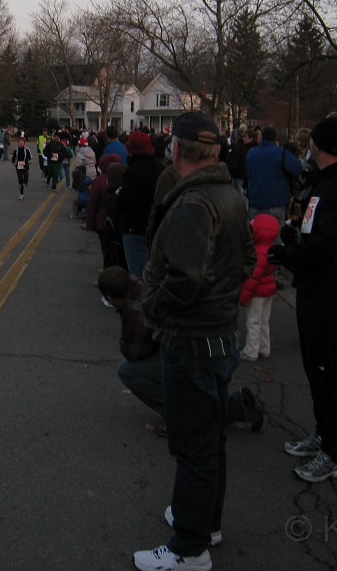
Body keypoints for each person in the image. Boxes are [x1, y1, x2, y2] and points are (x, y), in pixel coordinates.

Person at [134, 111, 255, 571]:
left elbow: (185, 279)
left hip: (192, 342)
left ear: (179, 150)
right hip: (219, 334)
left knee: (193, 447)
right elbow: (245, 261)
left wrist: (152, 310)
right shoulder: (229, 195)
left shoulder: (194, 203)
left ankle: (189, 547)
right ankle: (205, 521)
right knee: (208, 441)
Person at [270, 115, 337, 483]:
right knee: (314, 366)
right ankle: (322, 434)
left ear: (322, 147)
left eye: (312, 142)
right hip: (311, 287)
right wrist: (293, 240)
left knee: (327, 368)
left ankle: (332, 451)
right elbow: (315, 232)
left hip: (329, 290)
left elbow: (329, 244)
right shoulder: (324, 183)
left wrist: (292, 255)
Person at [99, 266, 264, 436]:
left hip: (200, 354)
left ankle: (181, 417)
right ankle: (237, 405)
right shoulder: (151, 286)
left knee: (129, 371)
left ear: (110, 297)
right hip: (221, 346)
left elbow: (132, 352)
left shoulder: (137, 309)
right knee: (184, 373)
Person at [118, 131, 164, 280]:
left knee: (137, 274)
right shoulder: (160, 169)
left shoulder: (134, 172)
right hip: (156, 227)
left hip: (134, 226)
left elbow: (125, 201)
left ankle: (140, 300)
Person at [239, 213, 280, 362]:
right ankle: (264, 347)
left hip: (257, 292)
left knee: (253, 321)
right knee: (263, 321)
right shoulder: (270, 249)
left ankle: (251, 351)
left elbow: (253, 277)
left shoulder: (258, 251)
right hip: (268, 290)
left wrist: (243, 297)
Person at [245, 125, 302, 224]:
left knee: (257, 236)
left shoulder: (251, 153)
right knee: (276, 237)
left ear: (262, 137)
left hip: (255, 203)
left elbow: (247, 172)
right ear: (275, 138)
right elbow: (297, 169)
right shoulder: (281, 153)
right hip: (276, 203)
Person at [11, 135, 33, 200]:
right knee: (20, 180)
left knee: (25, 179)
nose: (20, 143)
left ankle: (26, 182)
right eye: (19, 141)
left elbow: (31, 158)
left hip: (25, 166)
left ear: (24, 143)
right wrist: (14, 163)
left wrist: (27, 163)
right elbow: (13, 159)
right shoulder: (16, 150)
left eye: (22, 141)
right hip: (18, 166)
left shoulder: (27, 150)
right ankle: (21, 194)